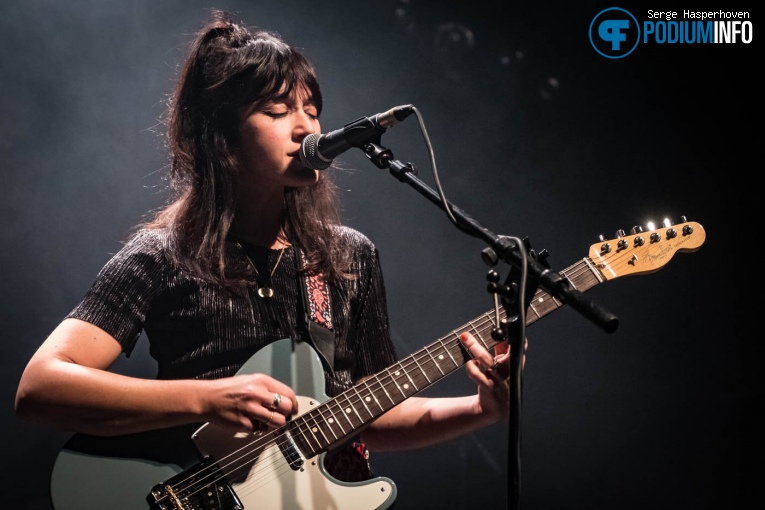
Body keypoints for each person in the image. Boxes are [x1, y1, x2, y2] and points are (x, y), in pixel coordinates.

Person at [15, 9, 516, 506]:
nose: (305, 128)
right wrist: (208, 397)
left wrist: (480, 409)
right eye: (277, 112)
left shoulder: (347, 256)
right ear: (223, 135)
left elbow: (366, 415)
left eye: (312, 110)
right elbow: (41, 387)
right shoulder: (163, 254)